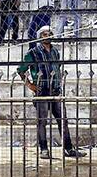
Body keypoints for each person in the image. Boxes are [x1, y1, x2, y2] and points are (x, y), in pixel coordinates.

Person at [17, 26, 85, 160]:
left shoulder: (55, 51)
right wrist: (30, 85)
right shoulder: (33, 53)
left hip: (55, 90)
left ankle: (68, 148)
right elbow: (21, 69)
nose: (48, 36)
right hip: (41, 91)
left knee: (63, 120)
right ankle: (43, 149)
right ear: (40, 36)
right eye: (44, 34)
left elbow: (57, 69)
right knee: (42, 122)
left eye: (50, 33)